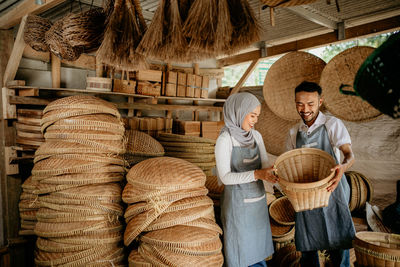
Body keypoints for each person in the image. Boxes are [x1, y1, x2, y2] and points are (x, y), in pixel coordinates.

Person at [285, 81, 356, 267]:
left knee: (338, 241)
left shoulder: (332, 124)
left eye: (310, 104)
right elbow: (289, 163)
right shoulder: (294, 131)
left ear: (320, 102)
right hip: (305, 195)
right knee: (308, 243)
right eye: (299, 103)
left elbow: (349, 155)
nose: (305, 109)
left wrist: (343, 167)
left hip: (333, 189)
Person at [215, 92, 279, 267]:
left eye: (257, 116)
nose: (255, 120)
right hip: (237, 207)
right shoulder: (225, 139)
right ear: (239, 112)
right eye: (252, 116)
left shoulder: (256, 136)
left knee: (257, 251)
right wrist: (257, 174)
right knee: (241, 253)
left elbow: (265, 164)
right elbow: (225, 177)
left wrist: (278, 178)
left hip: (257, 203)